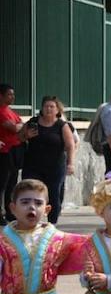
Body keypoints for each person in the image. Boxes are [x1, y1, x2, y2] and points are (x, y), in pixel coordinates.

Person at [19, 96, 77, 224]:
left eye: (52, 107)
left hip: (55, 166)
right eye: (46, 106)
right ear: (42, 108)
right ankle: (29, 221)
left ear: (57, 110)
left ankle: (52, 224)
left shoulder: (62, 126)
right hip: (33, 165)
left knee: (53, 194)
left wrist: (71, 163)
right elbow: (20, 137)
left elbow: (70, 145)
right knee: (29, 191)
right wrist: (26, 136)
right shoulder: (32, 122)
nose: (48, 109)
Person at [0, 83, 22, 221]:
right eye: (9, 94)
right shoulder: (1, 112)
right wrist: (19, 126)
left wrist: (19, 126)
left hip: (14, 151)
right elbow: (15, 128)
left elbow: (21, 125)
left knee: (11, 183)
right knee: (2, 183)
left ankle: (9, 211)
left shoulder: (10, 111)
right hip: (3, 151)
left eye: (13, 94)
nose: (12, 97)